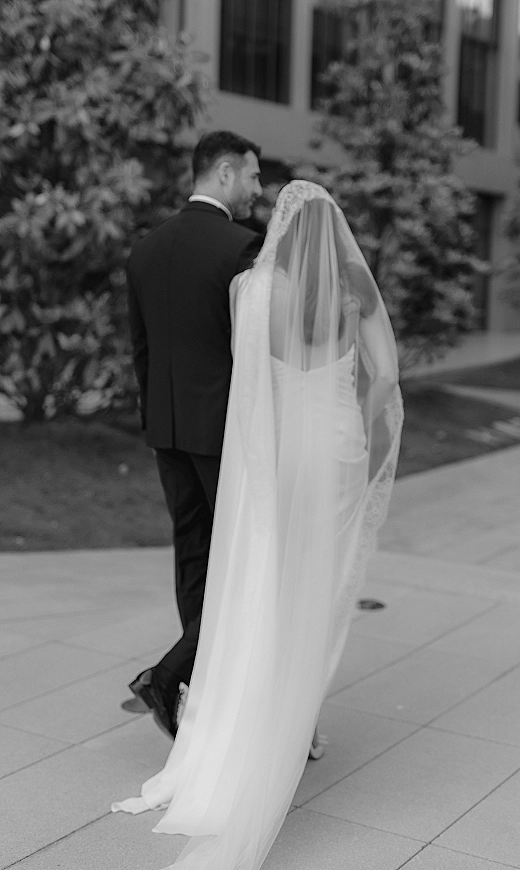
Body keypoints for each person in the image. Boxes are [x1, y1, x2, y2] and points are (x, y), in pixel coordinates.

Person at [113, 181, 404, 870]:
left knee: (264, 590)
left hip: (277, 458)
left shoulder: (252, 288)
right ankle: (295, 725)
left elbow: (248, 391)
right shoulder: (352, 292)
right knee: (313, 593)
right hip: (333, 448)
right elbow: (384, 380)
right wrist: (361, 441)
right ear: (332, 234)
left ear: (277, 230)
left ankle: (253, 726)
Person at [124, 131, 263, 738]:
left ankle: (189, 688)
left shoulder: (145, 250)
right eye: (254, 178)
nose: (259, 190)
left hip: (168, 427)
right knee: (245, 563)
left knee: (194, 556)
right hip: (225, 430)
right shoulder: (243, 248)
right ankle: (171, 673)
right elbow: (255, 353)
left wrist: (158, 419)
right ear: (226, 173)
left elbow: (142, 352)